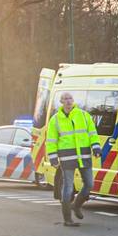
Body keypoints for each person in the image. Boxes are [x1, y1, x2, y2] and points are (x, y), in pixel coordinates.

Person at [46, 92, 101, 227]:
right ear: (61, 102)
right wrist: (53, 158)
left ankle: (76, 206)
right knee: (68, 188)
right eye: (65, 99)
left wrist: (96, 148)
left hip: (84, 156)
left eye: (70, 98)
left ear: (73, 100)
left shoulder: (83, 115)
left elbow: (93, 133)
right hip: (67, 157)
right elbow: (51, 141)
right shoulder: (55, 120)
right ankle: (67, 219)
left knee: (89, 184)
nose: (68, 101)